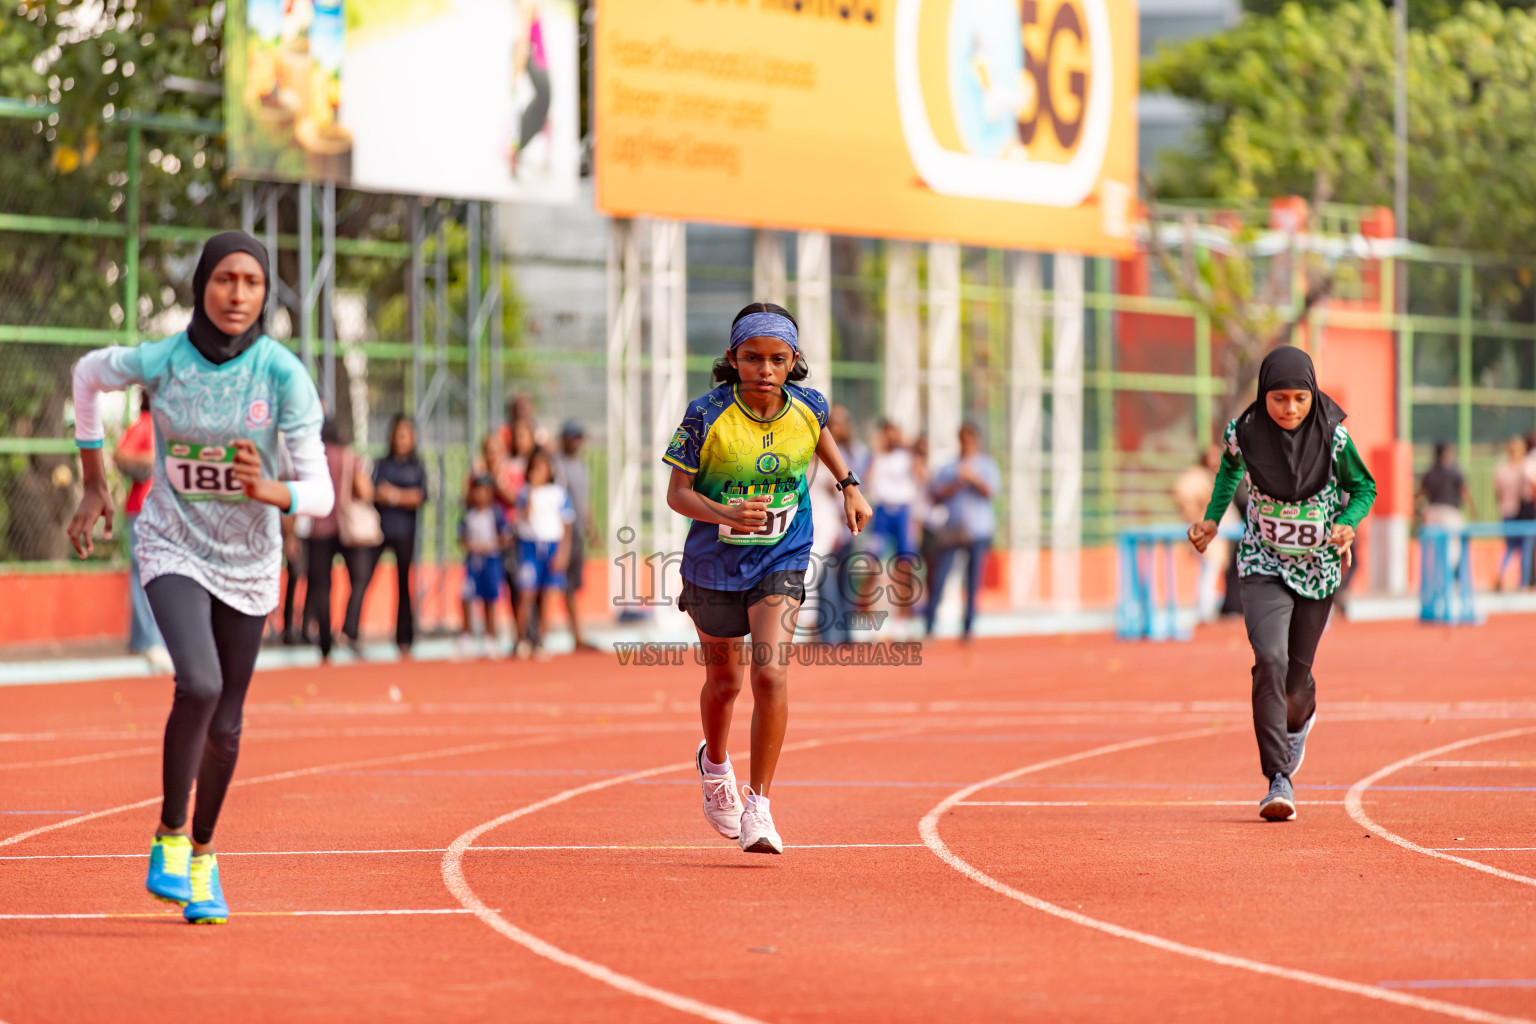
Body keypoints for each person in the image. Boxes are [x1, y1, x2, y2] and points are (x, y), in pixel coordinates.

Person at [67, 230, 333, 924]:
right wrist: (94, 481)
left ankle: (206, 856)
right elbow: (88, 376)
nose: (237, 294)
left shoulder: (282, 374)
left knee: (230, 724)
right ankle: (169, 834)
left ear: (266, 292)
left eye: (250, 282)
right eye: (224, 280)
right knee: (202, 683)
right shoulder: (164, 358)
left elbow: (324, 493)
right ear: (201, 286)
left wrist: (273, 492)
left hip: (248, 562)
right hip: (172, 542)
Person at [663, 301, 871, 854]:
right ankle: (714, 766)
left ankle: (760, 806)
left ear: (793, 361)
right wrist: (727, 513)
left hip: (783, 552)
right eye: (752, 358)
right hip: (714, 560)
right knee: (726, 684)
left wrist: (848, 483)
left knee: (771, 674)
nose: (765, 370)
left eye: (777, 359)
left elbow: (820, 431)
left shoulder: (808, 406)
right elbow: (677, 494)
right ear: (733, 358)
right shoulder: (705, 414)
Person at [1188, 346, 1376, 823]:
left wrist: (1348, 521)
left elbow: (1365, 487)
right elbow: (1231, 467)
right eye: (1278, 399)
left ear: (1312, 395)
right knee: (1268, 659)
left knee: (1296, 682)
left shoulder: (1334, 438)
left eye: (1298, 398)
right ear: (1263, 396)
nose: (1289, 409)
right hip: (1263, 561)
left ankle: (1300, 719)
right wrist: (1212, 519)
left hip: (1318, 567)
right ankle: (1278, 778)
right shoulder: (1244, 431)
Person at [923, 423, 1001, 642]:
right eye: (962, 440)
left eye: (969, 440)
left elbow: (991, 492)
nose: (966, 445)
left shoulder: (986, 465)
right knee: (938, 579)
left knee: (973, 581)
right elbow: (936, 495)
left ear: (976, 441)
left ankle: (968, 629)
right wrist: (958, 480)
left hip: (979, 531)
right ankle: (929, 627)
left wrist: (974, 478)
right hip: (952, 531)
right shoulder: (949, 467)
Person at [306, 418, 374, 662]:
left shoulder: (314, 458)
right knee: (360, 577)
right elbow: (365, 490)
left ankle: (324, 643)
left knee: (321, 586)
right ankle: (349, 628)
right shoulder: (349, 457)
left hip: (317, 527)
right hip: (347, 528)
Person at [113, 389, 170, 670]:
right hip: (143, 509)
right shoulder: (145, 423)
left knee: (152, 574)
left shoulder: (168, 429)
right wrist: (148, 462)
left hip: (162, 511)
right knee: (148, 574)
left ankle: (141, 639)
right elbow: (120, 454)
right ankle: (150, 640)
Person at [369, 414, 428, 656]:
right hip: (381, 530)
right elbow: (373, 492)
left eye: (406, 434)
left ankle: (405, 638)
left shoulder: (417, 466)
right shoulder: (381, 463)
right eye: (398, 434)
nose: (401, 439)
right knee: (363, 578)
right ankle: (349, 631)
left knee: (404, 585)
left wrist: (392, 495)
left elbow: (419, 497)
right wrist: (403, 496)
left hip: (405, 532)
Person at [513, 447, 574, 660]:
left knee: (547, 595)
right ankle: (521, 639)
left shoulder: (559, 493)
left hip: (552, 546)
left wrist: (563, 552)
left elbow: (567, 525)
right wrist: (531, 489)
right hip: (530, 545)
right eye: (534, 468)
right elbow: (523, 514)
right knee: (527, 593)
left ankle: (540, 639)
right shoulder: (524, 491)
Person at [1173, 445, 1236, 622]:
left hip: (1217, 535)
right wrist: (1196, 518)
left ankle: (1205, 609)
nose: (1216, 461)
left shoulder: (1212, 476)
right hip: (1208, 536)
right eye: (1212, 458)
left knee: (1210, 572)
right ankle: (1204, 611)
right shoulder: (1197, 478)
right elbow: (1185, 498)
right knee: (1209, 572)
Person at [553, 419, 598, 651]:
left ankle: (575, 632)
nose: (575, 442)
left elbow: (584, 500)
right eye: (571, 437)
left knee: (573, 584)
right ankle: (575, 633)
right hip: (563, 532)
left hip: (578, 530)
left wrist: (592, 528)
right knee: (564, 584)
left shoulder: (581, 465)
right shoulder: (557, 465)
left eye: (578, 437)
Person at [459, 475, 511, 658]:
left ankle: (490, 638)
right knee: (466, 597)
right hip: (473, 562)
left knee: (489, 599)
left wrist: (492, 545)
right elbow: (461, 537)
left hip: (491, 561)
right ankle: (467, 636)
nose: (480, 495)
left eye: (484, 491)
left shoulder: (495, 513)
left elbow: (506, 536)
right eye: (477, 490)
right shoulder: (469, 514)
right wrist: (471, 546)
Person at [1493, 435, 1535, 591]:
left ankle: (1501, 573)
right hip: (1522, 512)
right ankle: (1524, 583)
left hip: (1506, 511)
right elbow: (1526, 492)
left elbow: (1497, 493)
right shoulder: (1524, 468)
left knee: (1510, 547)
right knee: (1526, 548)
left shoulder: (1500, 469)